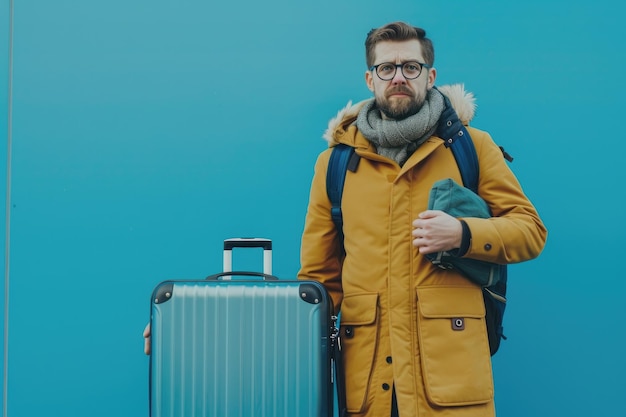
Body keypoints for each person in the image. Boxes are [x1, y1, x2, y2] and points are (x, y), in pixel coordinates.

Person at [297, 21, 547, 417]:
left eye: (410, 67)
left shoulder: (472, 146)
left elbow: (531, 231)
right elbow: (317, 284)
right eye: (387, 68)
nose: (399, 77)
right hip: (368, 387)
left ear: (430, 76)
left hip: (450, 385)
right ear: (369, 79)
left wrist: (463, 234)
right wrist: (183, 335)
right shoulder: (335, 165)